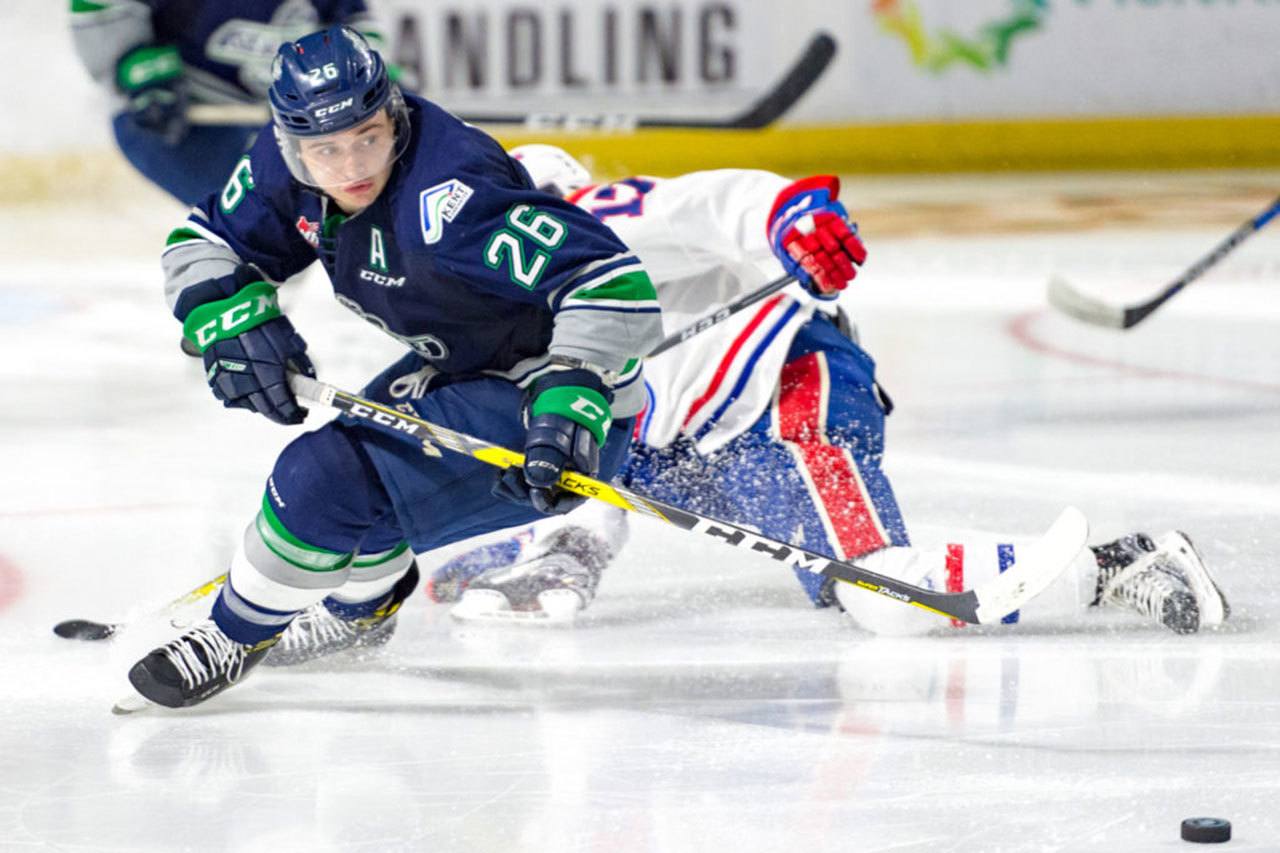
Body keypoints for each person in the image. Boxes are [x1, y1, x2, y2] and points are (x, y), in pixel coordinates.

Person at [414, 145, 1230, 639]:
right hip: (707, 445)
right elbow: (604, 437)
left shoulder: (591, 220)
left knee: (886, 596)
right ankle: (565, 544)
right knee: (848, 581)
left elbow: (719, 202)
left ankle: (1124, 563)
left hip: (785, 395)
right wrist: (565, 542)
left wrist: (792, 219)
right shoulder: (506, 302)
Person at [125, 27, 662, 708]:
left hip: (545, 399)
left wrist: (574, 394)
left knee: (320, 478)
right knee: (355, 483)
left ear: (395, 115)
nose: (352, 164)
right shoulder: (280, 164)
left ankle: (231, 637)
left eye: (368, 136)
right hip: (461, 365)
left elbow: (608, 283)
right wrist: (227, 318)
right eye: (325, 148)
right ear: (291, 143)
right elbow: (204, 240)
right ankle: (361, 613)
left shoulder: (450, 199)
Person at [70, 0, 386, 206]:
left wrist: (366, 65)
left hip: (285, 117)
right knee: (255, 226)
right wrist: (138, 66)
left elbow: (348, 17)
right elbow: (99, 8)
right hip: (187, 117)